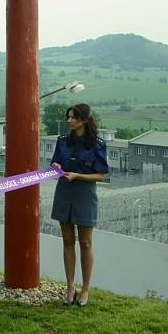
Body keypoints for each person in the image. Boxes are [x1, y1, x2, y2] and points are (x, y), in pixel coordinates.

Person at [50, 103, 108, 307]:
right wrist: (56, 166)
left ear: (83, 120)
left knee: (85, 242)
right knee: (67, 240)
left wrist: (78, 176)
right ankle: (70, 286)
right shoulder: (62, 141)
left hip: (85, 193)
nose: (69, 120)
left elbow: (100, 175)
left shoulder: (97, 144)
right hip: (64, 192)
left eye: (73, 117)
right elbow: (55, 163)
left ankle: (85, 289)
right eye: (68, 117)